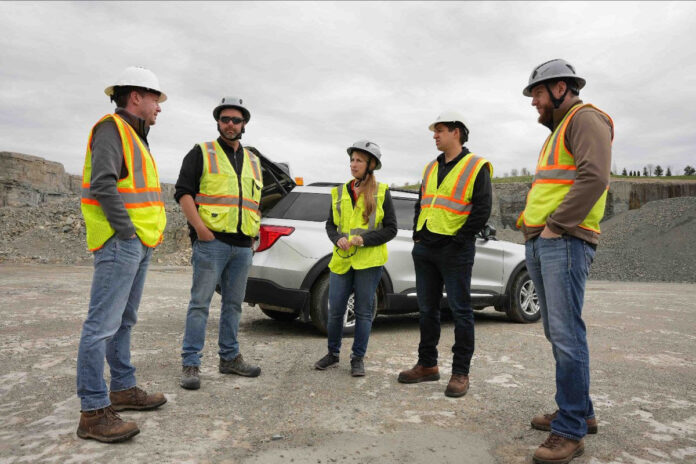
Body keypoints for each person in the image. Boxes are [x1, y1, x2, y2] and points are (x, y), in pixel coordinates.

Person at [517, 59, 613, 464]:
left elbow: (595, 178)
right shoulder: (560, 130)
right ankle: (580, 411)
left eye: (537, 93)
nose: (534, 102)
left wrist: (556, 226)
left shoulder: (585, 118)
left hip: (564, 240)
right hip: (545, 240)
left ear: (560, 88)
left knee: (567, 334)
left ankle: (571, 429)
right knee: (558, 333)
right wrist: (533, 227)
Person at [76, 66, 168, 443]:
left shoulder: (135, 134)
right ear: (136, 97)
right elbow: (103, 184)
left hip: (138, 241)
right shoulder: (112, 128)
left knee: (124, 320)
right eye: (155, 99)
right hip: (121, 241)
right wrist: (126, 230)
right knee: (101, 326)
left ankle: (123, 388)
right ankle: (94, 411)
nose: (159, 107)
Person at [398, 112, 492, 398]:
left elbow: (482, 209)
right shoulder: (430, 167)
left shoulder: (476, 166)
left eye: (439, 130)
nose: (435, 135)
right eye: (434, 131)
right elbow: (421, 202)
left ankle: (460, 373)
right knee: (427, 310)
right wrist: (417, 234)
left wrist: (460, 240)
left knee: (461, 311)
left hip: (455, 250)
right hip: (426, 247)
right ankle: (427, 365)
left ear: (456, 132)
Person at [176, 97, 263, 390]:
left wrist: (253, 235)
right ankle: (191, 363)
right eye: (225, 119)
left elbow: (255, 202)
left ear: (244, 125)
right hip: (211, 242)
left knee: (234, 305)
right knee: (200, 304)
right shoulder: (202, 152)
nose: (230, 124)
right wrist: (200, 229)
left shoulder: (253, 160)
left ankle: (229, 358)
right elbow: (184, 193)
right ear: (218, 122)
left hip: (242, 246)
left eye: (236, 120)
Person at [314, 140, 397, 376]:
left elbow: (391, 229)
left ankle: (357, 359)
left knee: (362, 311)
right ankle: (332, 354)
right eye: (352, 159)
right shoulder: (340, 192)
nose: (353, 164)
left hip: (369, 262)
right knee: (336, 310)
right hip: (342, 259)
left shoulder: (381, 192)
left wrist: (365, 240)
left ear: (371, 165)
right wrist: (336, 237)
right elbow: (331, 225)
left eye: (359, 160)